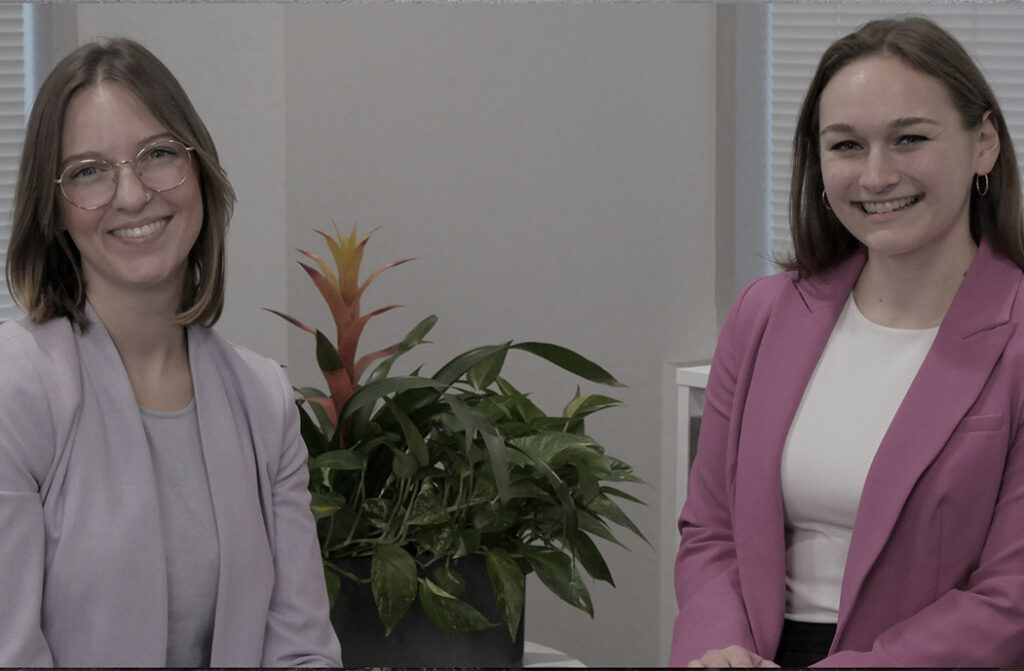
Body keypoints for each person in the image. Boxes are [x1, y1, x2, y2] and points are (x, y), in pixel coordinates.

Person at [670, 16, 1024, 667]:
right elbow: (711, 532)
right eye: (847, 146)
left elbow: (1009, 600)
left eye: (909, 138)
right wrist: (718, 652)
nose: (877, 175)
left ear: (984, 145)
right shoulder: (764, 313)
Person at [0, 38, 342, 666]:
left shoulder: (263, 399)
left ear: (200, 173)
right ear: (54, 210)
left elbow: (301, 651)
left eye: (157, 155)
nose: (131, 196)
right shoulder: (14, 390)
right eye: (87, 171)